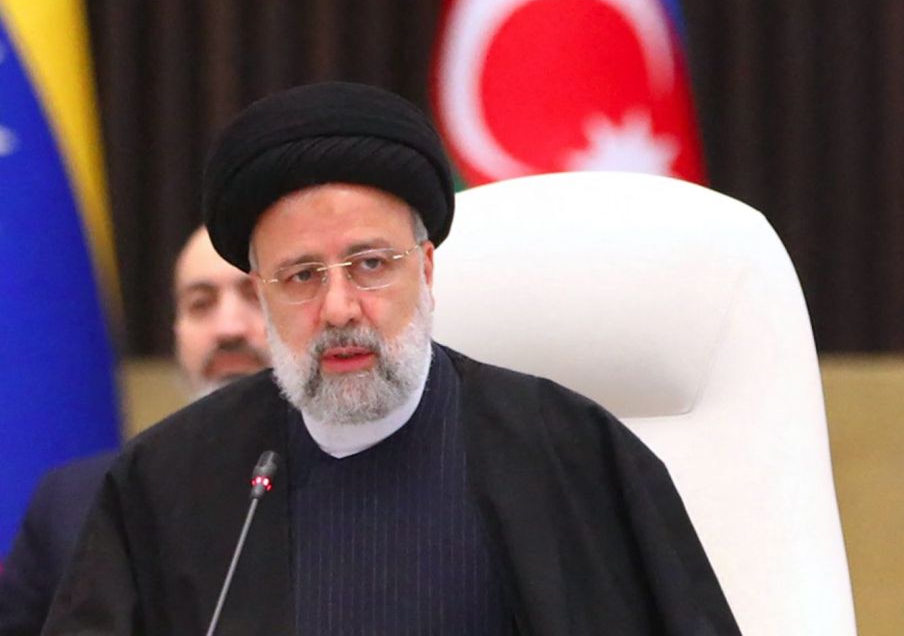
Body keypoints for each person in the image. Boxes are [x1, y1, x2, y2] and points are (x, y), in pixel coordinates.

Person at [45, 80, 739, 636]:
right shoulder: (166, 481)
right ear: (262, 293)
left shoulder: (573, 453)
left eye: (371, 264)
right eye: (302, 275)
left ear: (426, 269)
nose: (339, 309)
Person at [0, 225, 270, 636]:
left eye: (253, 297)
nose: (227, 329)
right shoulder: (72, 501)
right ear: (175, 331)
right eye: (200, 304)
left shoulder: (348, 479)